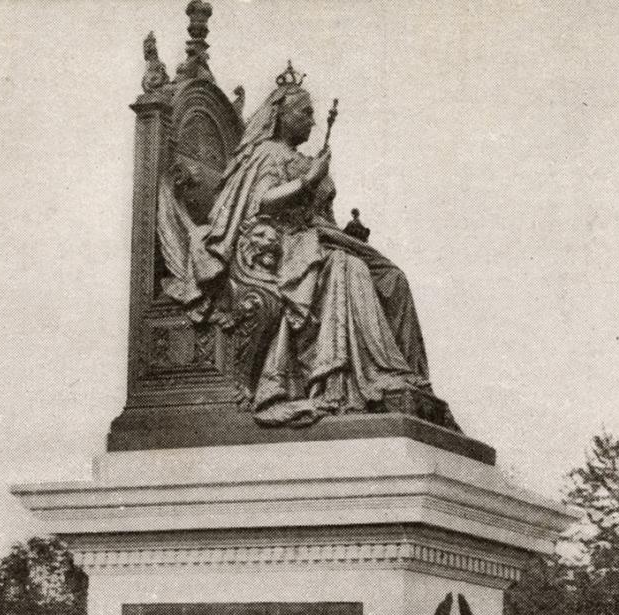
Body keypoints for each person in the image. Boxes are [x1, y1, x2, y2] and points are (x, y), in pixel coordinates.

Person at [166, 63, 437, 426]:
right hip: (281, 244)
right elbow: (261, 202)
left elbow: (321, 217)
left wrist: (327, 201)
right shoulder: (266, 155)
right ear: (281, 115)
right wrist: (309, 182)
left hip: (315, 239)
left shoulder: (303, 158)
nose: (312, 121)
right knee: (348, 269)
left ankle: (406, 380)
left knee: (393, 278)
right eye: (305, 112)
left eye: (312, 114)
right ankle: (355, 380)